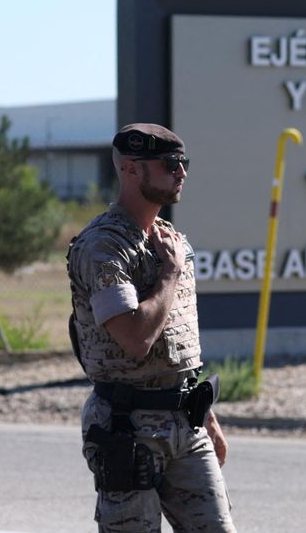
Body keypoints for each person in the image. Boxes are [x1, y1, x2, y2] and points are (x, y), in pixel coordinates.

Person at [67, 123, 236, 532]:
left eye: (183, 163)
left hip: (185, 421)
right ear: (130, 169)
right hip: (127, 427)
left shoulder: (170, 241)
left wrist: (205, 414)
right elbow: (136, 339)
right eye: (169, 164)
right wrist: (168, 273)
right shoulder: (104, 247)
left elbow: (177, 339)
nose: (181, 172)